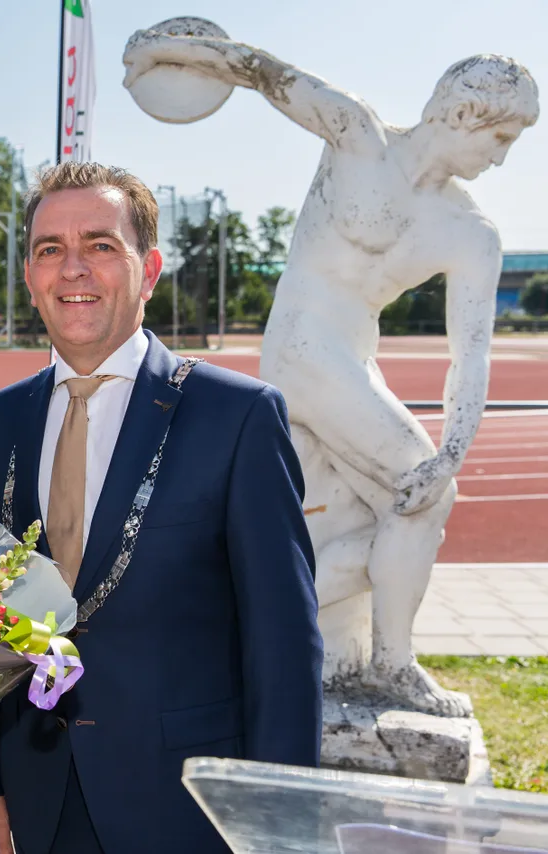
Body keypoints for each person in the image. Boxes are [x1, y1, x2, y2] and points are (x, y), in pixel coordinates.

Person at [123, 31, 539, 715]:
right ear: (465, 115)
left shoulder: (473, 233)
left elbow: (472, 354)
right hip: (303, 347)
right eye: (501, 139)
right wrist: (170, 50)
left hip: (353, 358)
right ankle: (393, 667)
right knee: (422, 494)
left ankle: (257, 616)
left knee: (376, 514)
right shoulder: (357, 133)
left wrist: (454, 452)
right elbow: (262, 73)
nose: (500, 161)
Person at [0, 163, 323, 854]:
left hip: (187, 804)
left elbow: (283, 640)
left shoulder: (237, 416)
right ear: (30, 277)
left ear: (148, 269)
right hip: (38, 792)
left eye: (100, 245)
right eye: (49, 250)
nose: (73, 270)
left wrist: (280, 820)